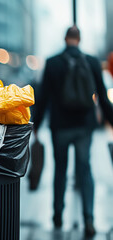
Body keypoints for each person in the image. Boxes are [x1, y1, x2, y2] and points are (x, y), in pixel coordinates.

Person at [33, 26, 113, 238]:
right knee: (85, 169)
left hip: (60, 126)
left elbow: (42, 98)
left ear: (65, 38)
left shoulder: (52, 63)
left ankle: (57, 215)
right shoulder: (92, 62)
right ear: (80, 39)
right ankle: (89, 218)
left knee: (60, 169)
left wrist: (35, 125)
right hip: (84, 126)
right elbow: (103, 97)